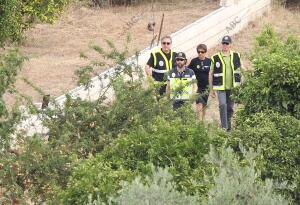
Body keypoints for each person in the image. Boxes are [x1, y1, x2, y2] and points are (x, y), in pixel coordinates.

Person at [209, 35, 242, 131]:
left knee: (230, 108)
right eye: (223, 43)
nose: (225, 45)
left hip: (233, 87)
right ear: (221, 44)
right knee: (223, 105)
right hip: (221, 88)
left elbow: (241, 70)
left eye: (227, 43)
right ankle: (224, 127)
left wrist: (242, 85)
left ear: (230, 44)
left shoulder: (236, 55)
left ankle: (229, 128)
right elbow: (210, 73)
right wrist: (211, 90)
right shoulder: (215, 57)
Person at [188, 44, 211, 120]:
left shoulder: (209, 61)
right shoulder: (194, 61)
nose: (200, 53)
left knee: (204, 106)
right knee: (199, 104)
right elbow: (187, 71)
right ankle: (198, 123)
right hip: (197, 87)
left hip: (206, 87)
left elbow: (213, 73)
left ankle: (202, 124)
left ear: (205, 52)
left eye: (202, 52)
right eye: (199, 52)